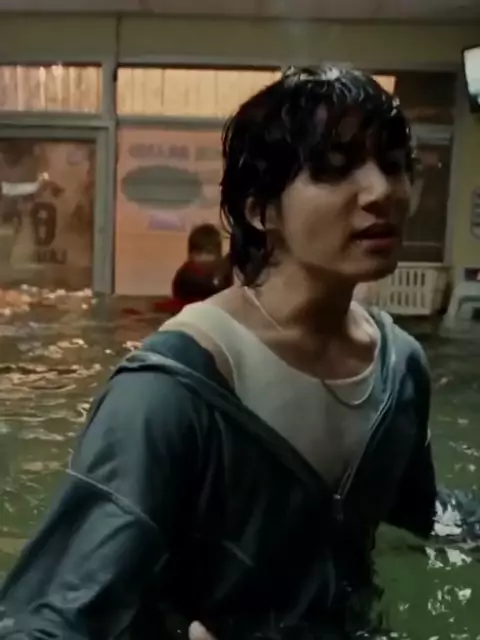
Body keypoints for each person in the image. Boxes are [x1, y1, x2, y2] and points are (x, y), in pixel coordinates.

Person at [0, 66, 478, 640]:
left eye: (395, 165)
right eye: (334, 168)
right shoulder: (169, 395)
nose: (383, 193)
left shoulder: (399, 368)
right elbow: (51, 618)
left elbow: (421, 517)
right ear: (260, 210)